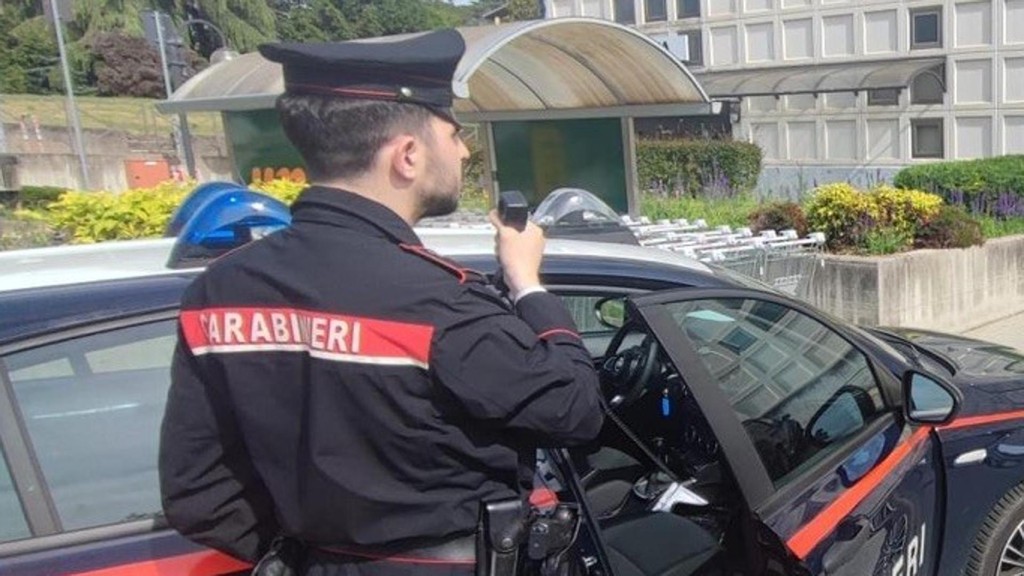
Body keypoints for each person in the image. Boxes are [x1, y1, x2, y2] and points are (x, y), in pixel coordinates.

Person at [158, 29, 605, 576]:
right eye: (455, 134)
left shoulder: (217, 292)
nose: (464, 151)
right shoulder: (441, 303)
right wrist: (527, 284)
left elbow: (198, 495)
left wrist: (319, 556)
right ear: (408, 155)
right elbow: (575, 408)